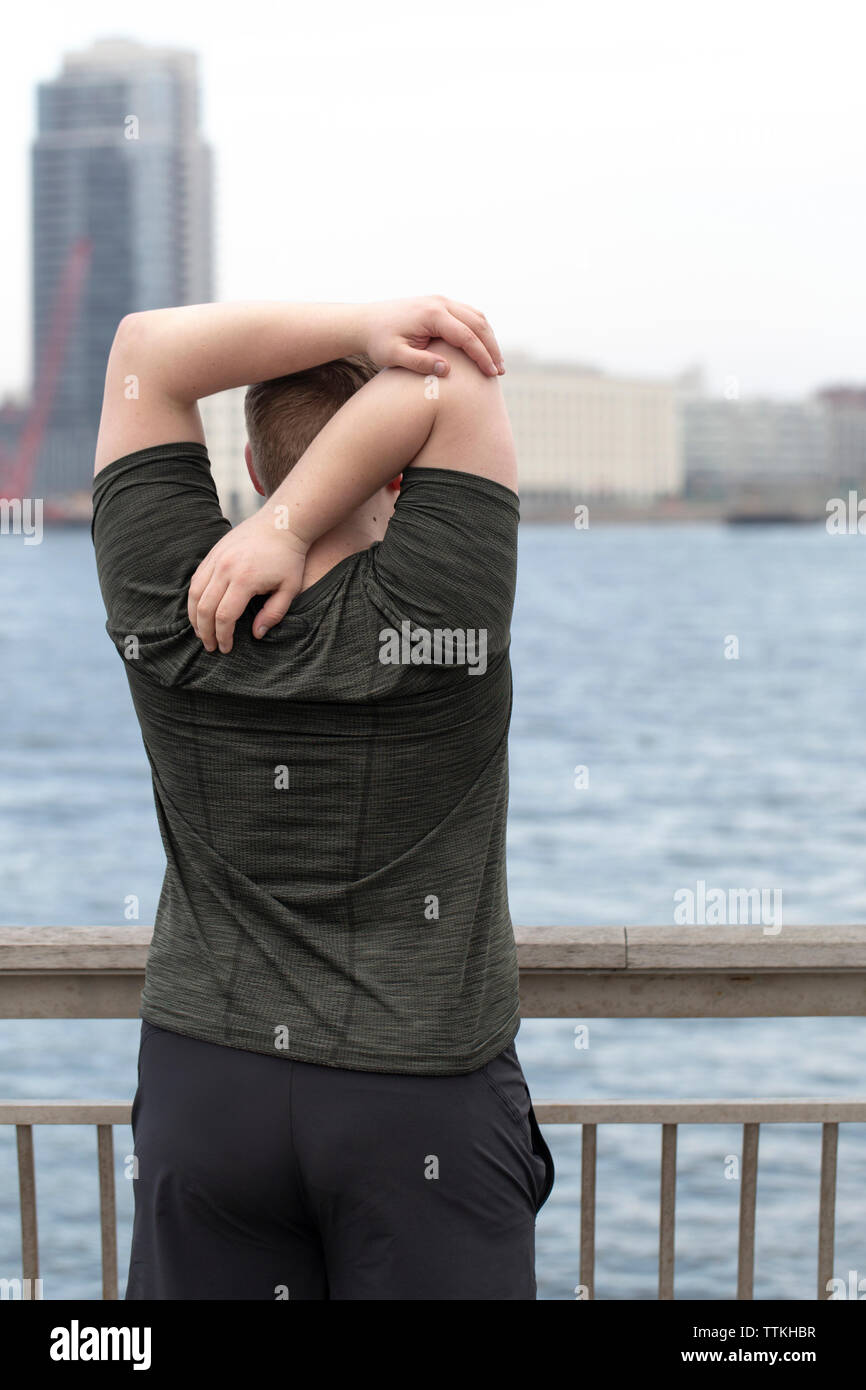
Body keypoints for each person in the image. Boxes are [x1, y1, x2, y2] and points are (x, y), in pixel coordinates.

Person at [91, 296, 554, 1301]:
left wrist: (360, 328)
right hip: (420, 1094)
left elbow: (143, 352)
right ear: (397, 471)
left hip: (207, 1087)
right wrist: (291, 524)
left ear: (251, 467)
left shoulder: (170, 604)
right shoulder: (442, 608)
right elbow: (453, 383)